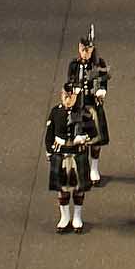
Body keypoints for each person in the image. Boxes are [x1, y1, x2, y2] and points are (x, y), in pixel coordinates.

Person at [48, 79, 98, 232]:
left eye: (71, 96)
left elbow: (93, 133)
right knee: (62, 188)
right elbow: (49, 134)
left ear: (76, 97)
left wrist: (83, 138)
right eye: (65, 96)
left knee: (78, 188)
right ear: (61, 95)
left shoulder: (84, 113)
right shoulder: (56, 112)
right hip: (61, 153)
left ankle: (77, 216)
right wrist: (49, 150)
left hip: (77, 154)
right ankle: (64, 217)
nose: (68, 99)